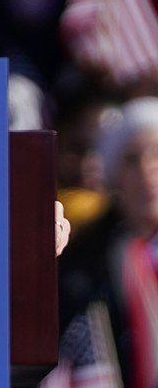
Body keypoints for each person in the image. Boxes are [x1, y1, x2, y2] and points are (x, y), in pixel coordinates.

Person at [57, 98, 158, 385]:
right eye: (132, 160)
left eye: (156, 155)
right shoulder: (88, 259)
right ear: (115, 177)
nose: (147, 171)